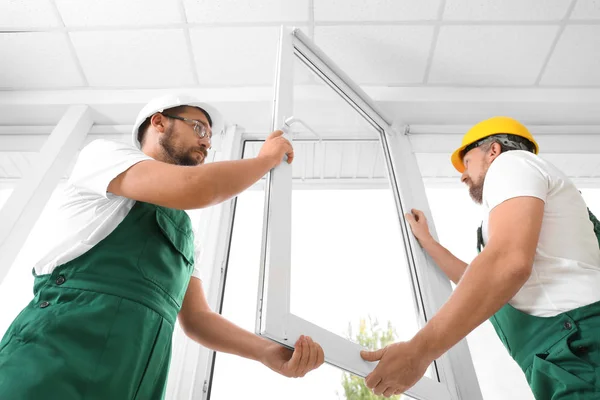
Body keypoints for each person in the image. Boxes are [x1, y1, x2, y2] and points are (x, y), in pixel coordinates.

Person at [0, 94, 324, 399]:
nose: (206, 141)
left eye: (210, 137)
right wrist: (266, 160)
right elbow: (196, 188)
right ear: (159, 122)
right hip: (62, 347)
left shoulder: (183, 229)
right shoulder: (104, 157)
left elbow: (197, 318)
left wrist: (267, 352)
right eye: (199, 128)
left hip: (138, 372)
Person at [360, 116, 600, 399]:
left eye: (468, 161)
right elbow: (481, 282)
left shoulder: (513, 164)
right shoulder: (533, 214)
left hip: (579, 348)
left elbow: (506, 265)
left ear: (494, 151)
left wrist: (417, 352)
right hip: (567, 355)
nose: (462, 174)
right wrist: (427, 242)